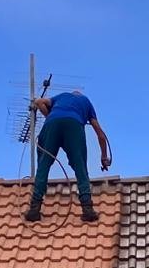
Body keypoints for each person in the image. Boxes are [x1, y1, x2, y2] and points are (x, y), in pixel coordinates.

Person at [24, 89, 111, 222]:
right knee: (80, 166)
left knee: (44, 165)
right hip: (74, 126)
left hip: (52, 124)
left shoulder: (62, 96)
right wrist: (104, 158)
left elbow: (39, 102)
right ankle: (87, 209)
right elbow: (100, 134)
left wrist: (51, 117)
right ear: (80, 95)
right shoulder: (86, 101)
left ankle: (34, 210)